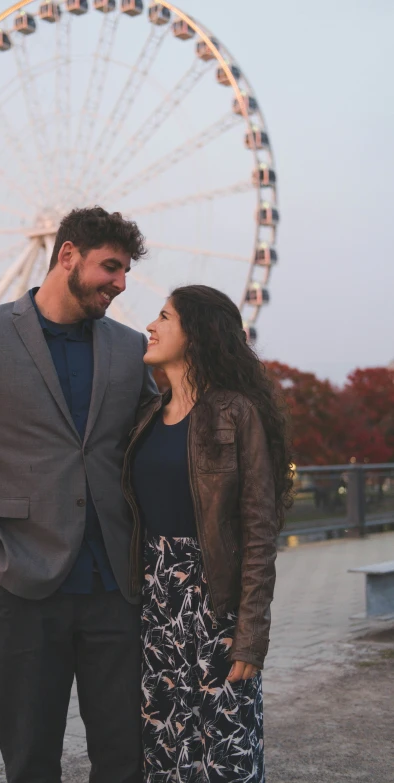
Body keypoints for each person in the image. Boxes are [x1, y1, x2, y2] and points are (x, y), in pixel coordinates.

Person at [0, 206, 158, 783]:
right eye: (111, 267)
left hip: (114, 587)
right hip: (22, 582)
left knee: (125, 757)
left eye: (125, 272)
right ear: (67, 255)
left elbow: (156, 440)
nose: (120, 284)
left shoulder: (128, 348)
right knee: (30, 758)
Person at [122, 285, 293, 782]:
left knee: (225, 754)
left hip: (215, 604)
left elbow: (259, 532)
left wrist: (250, 638)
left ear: (195, 334)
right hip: (156, 604)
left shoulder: (235, 413)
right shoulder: (147, 417)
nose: (149, 327)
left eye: (163, 316)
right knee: (165, 749)